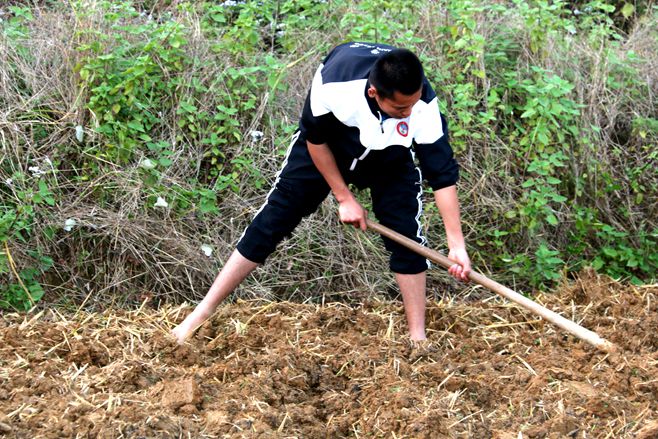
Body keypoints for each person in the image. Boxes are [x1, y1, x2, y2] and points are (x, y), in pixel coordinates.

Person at [172, 42, 471, 344]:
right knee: (274, 218)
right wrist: (343, 197)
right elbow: (314, 139)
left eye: (413, 104)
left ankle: (417, 338)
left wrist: (455, 243)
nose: (409, 113)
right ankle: (201, 312)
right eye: (400, 109)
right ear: (374, 94)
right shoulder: (336, 83)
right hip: (330, 146)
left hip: (390, 158)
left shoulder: (422, 105)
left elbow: (441, 175)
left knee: (406, 236)